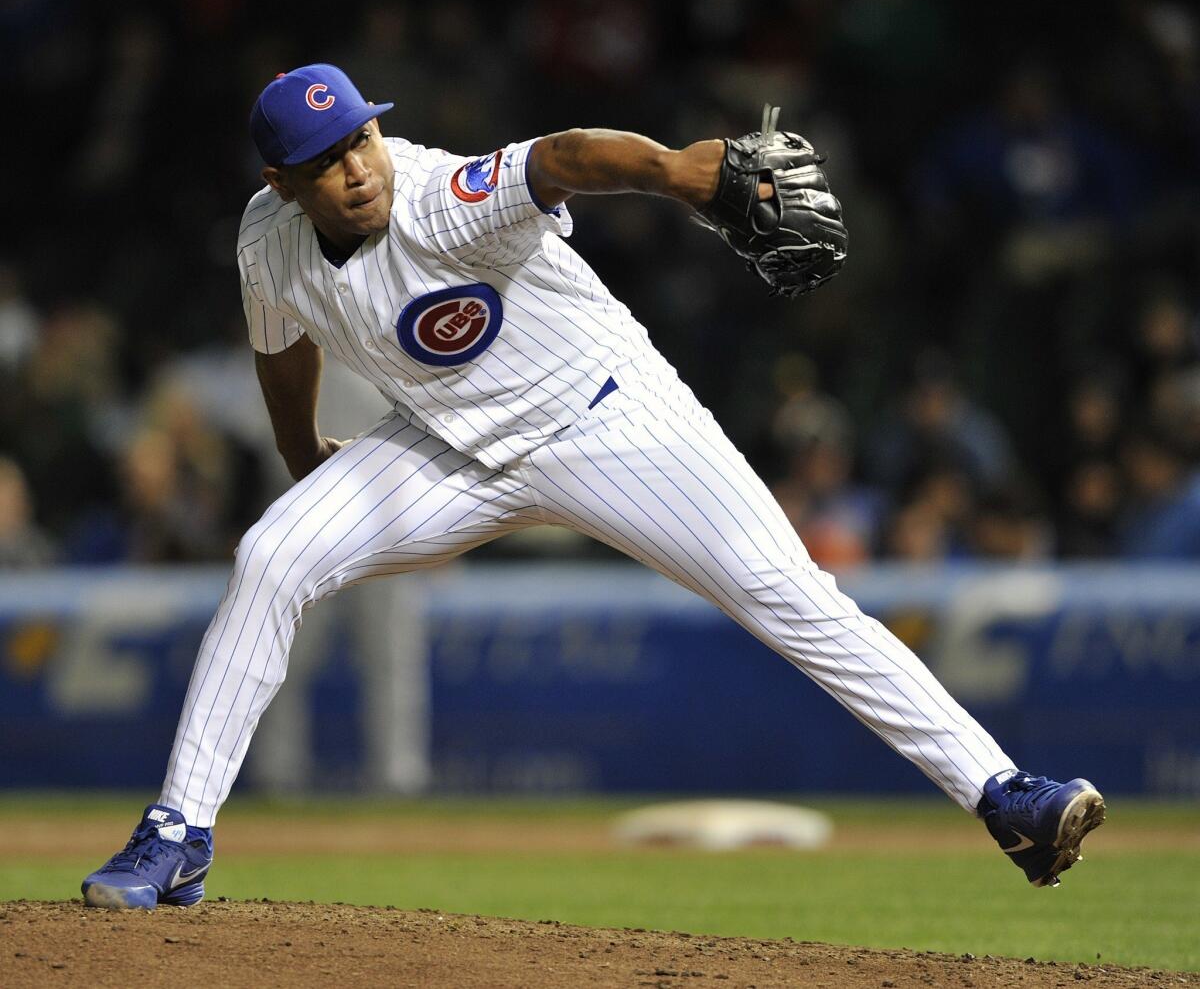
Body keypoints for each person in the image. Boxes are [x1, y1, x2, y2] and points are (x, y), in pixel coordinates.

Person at [82, 64, 1104, 909]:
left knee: (788, 596)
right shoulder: (266, 237)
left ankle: (1005, 795)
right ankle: (179, 833)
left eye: (361, 139)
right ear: (280, 178)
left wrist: (677, 177)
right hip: (441, 448)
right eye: (325, 159)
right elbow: (280, 345)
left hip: (608, 417)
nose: (355, 168)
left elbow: (567, 157)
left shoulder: (439, 196)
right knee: (272, 553)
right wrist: (304, 452)